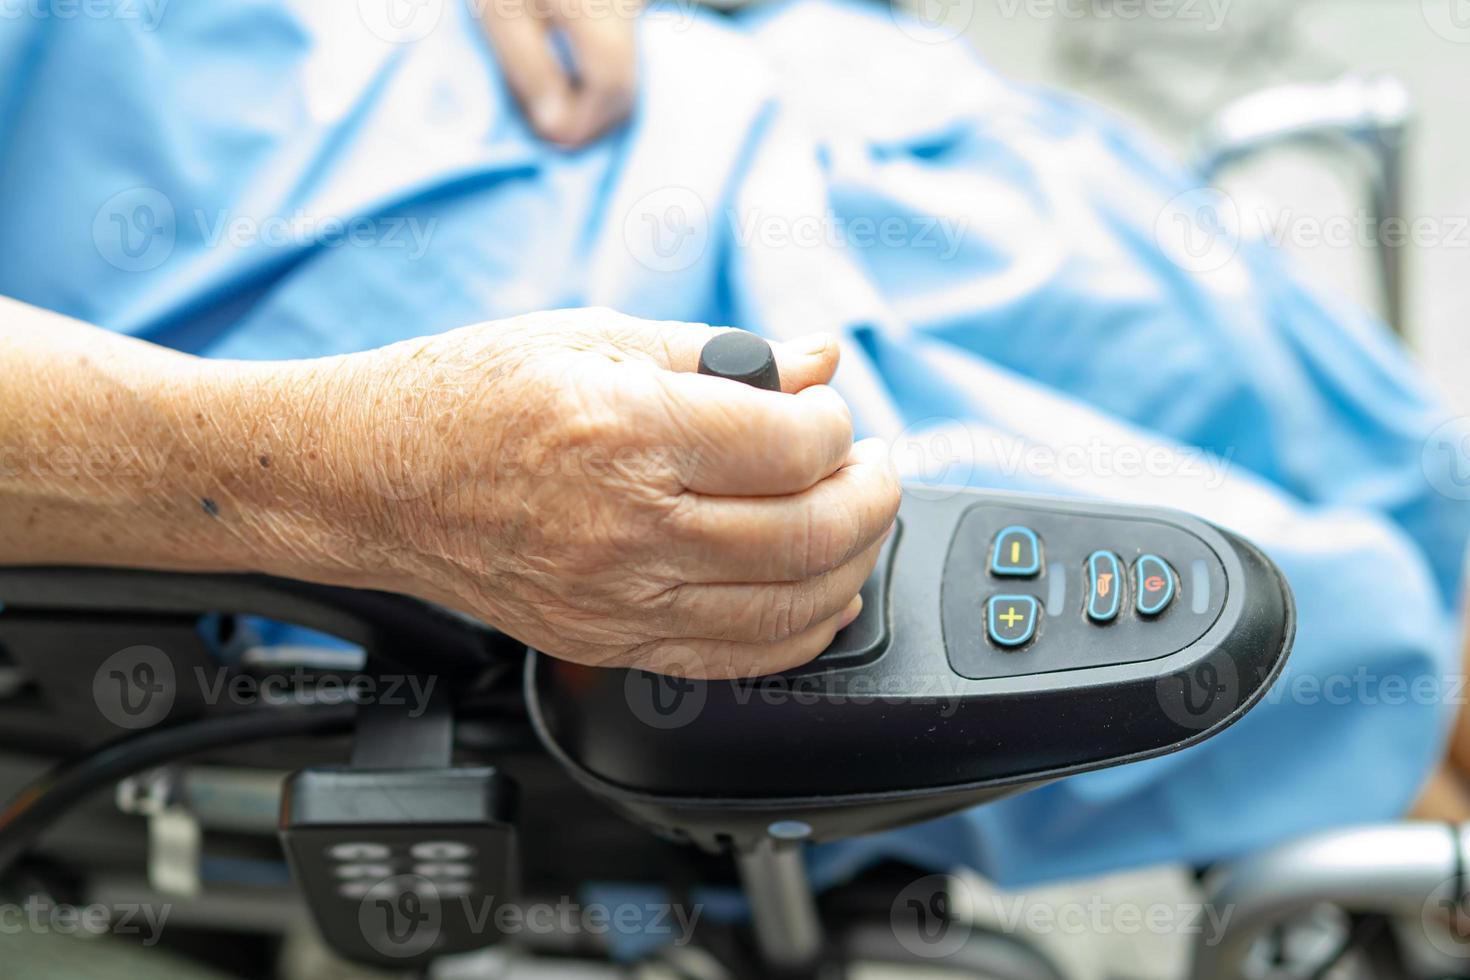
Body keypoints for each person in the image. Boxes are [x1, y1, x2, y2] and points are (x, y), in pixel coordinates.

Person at [2, 0, 1468, 889]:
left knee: (1368, 441)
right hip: (420, 361)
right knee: (1324, 629)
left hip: (697, 110)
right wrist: (371, 475)